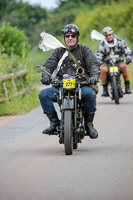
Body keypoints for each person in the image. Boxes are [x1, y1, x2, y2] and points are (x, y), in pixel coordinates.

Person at [39, 24, 100, 139]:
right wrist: (45, 75)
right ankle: (54, 123)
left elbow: (93, 65)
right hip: (60, 86)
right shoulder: (58, 52)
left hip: (81, 86)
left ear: (77, 37)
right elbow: (49, 65)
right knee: (43, 94)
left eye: (73, 35)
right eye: (67, 36)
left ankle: (89, 125)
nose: (70, 38)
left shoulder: (84, 50)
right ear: (64, 38)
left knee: (90, 94)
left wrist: (94, 76)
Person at [96, 26, 132, 96]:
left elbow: (126, 49)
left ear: (113, 34)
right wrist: (98, 61)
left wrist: (128, 57)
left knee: (123, 66)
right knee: (102, 69)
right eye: (106, 36)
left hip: (119, 61)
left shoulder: (120, 41)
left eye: (110, 35)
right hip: (107, 63)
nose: (109, 37)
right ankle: (105, 89)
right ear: (105, 36)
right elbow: (99, 53)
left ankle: (127, 86)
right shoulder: (103, 43)